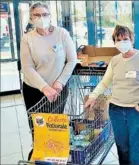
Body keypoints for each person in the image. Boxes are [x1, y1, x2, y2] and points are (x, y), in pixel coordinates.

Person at [85, 25, 139, 164]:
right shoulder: (115, 60)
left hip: (138, 111)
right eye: (118, 39)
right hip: (116, 109)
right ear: (114, 42)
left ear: (132, 40)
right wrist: (93, 96)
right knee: (122, 148)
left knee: (138, 149)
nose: (122, 42)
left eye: (125, 39)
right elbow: (105, 82)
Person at [20, 2, 78, 160]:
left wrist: (59, 83)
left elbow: (72, 60)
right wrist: (44, 87)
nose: (41, 18)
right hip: (34, 90)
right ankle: (39, 157)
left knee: (54, 126)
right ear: (31, 18)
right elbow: (28, 68)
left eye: (45, 14)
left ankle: (54, 158)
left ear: (50, 16)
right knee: (38, 129)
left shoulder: (62, 34)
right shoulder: (28, 39)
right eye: (37, 15)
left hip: (58, 89)